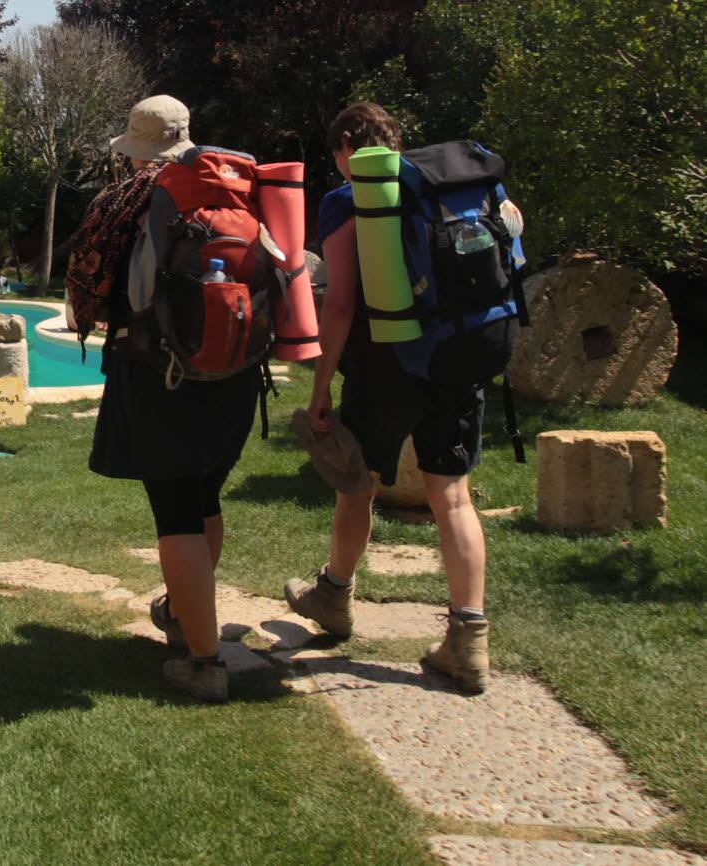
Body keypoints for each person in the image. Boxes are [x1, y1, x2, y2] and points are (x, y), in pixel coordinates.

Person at [284, 102, 501, 694]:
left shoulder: (348, 199)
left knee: (357, 484)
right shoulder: (449, 187)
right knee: (451, 496)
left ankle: (333, 597)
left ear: (347, 147)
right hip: (457, 358)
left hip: (386, 367)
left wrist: (322, 384)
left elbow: (342, 303)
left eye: (337, 155)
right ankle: (468, 642)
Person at [82, 96, 262, 703]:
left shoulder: (140, 200)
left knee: (176, 513)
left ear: (140, 149)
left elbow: (118, 292)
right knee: (205, 497)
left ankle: (204, 662)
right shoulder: (238, 183)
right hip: (237, 373)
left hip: (165, 376)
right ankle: (188, 619)